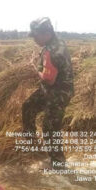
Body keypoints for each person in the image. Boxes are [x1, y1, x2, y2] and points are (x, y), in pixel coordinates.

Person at [22, 17, 74, 169]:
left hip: (58, 94)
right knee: (28, 106)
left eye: (36, 36)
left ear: (46, 33)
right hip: (51, 91)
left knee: (50, 128)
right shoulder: (55, 43)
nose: (34, 40)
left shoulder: (52, 50)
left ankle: (59, 164)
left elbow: (49, 79)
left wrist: (35, 69)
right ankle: (32, 144)